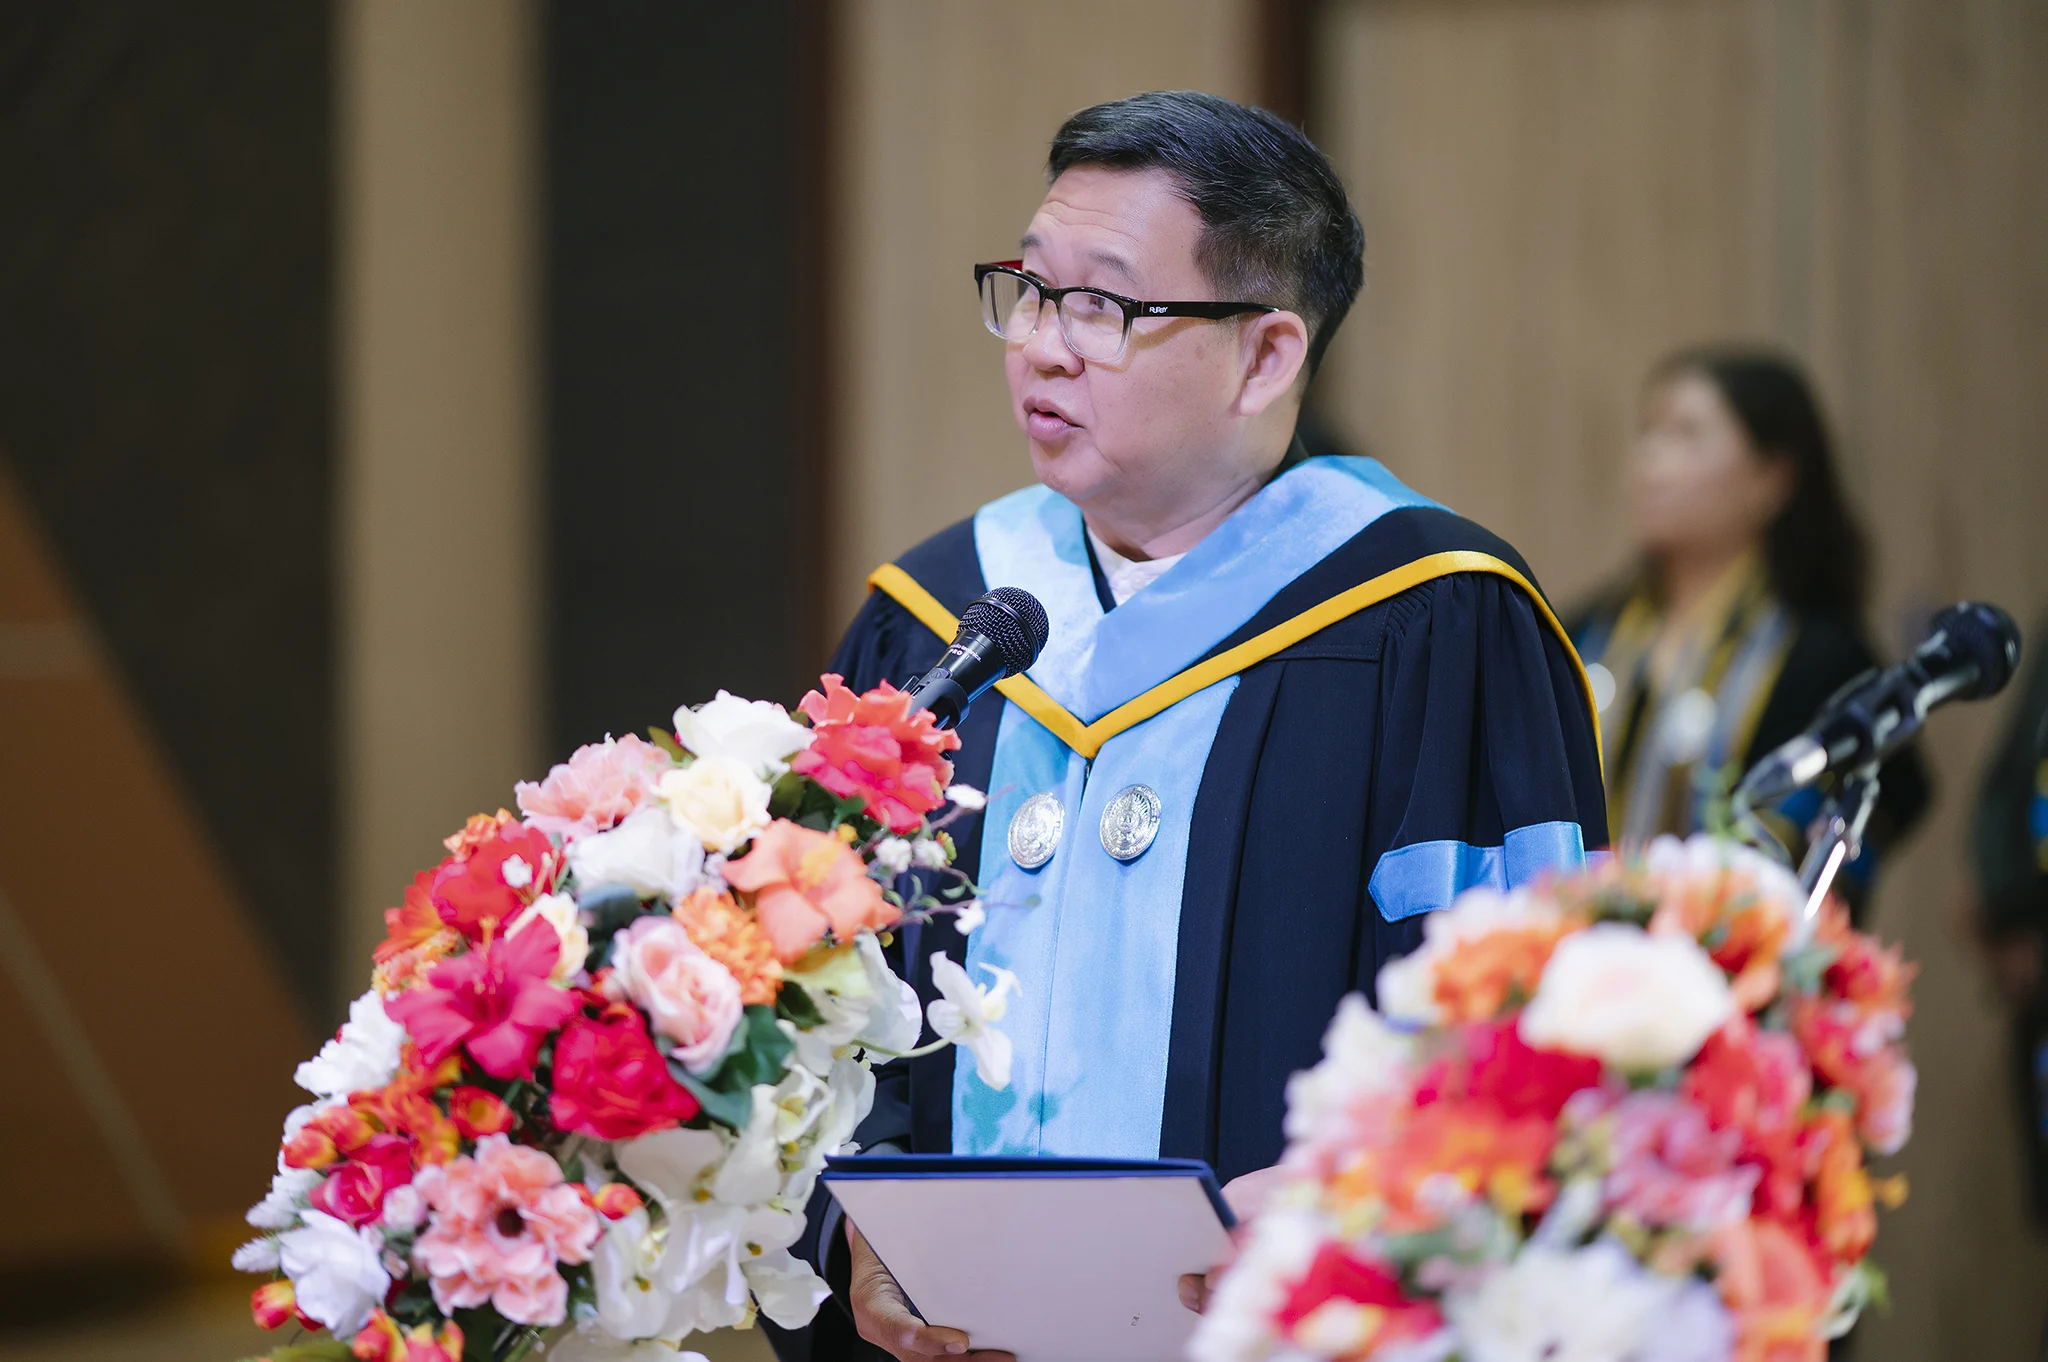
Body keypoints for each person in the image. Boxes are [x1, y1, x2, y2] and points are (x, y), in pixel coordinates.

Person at [777, 91, 1606, 1362]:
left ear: (1265, 356)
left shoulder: (1435, 625)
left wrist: (1348, 1202)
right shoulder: (940, 618)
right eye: (1027, 291)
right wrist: (858, 1231)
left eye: (1100, 306)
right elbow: (815, 1009)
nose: (1041, 346)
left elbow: (1530, 1042)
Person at [1569, 347, 1928, 903]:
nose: (1650, 460)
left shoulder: (1824, 660)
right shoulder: (1583, 634)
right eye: (1647, 433)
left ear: (1771, 479)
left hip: (1738, 945)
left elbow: (1881, 808)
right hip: (1574, 942)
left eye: (1686, 436)